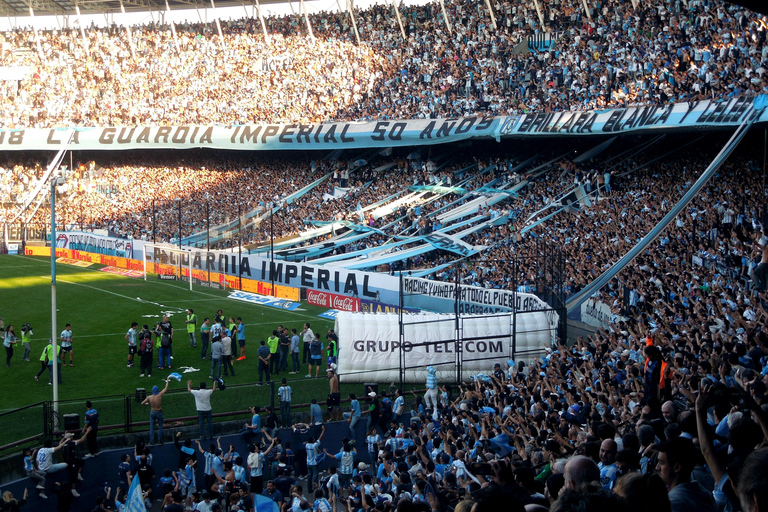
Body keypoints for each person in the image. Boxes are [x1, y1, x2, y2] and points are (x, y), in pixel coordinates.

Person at [656, 437, 715, 512]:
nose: (657, 467)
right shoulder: (704, 493)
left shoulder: (673, 503)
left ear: (677, 467)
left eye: (661, 463)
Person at [142, 378, 171, 445]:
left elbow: (142, 403)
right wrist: (167, 381)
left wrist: (147, 404)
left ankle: (151, 442)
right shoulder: (159, 395)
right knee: (160, 426)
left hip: (152, 412)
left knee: (152, 427)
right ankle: (160, 441)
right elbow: (166, 388)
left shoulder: (149, 397)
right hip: (159, 411)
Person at [304, 426, 325, 492]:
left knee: (309, 476)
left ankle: (309, 489)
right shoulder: (314, 445)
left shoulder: (306, 445)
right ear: (313, 440)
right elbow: (320, 438)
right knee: (315, 476)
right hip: (314, 463)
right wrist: (323, 430)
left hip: (308, 462)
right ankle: (315, 488)